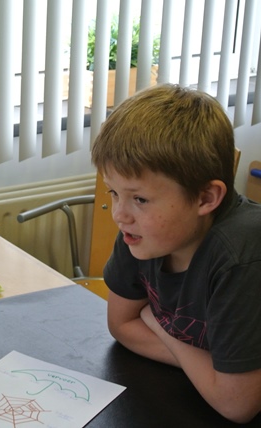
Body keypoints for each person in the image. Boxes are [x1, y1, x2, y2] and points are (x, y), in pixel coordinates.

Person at [91, 84, 261, 424]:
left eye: (139, 198)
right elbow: (121, 326)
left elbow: (237, 404)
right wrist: (210, 369)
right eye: (114, 192)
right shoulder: (143, 231)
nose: (119, 214)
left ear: (205, 198)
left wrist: (157, 325)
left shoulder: (242, 256)